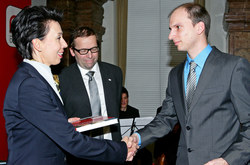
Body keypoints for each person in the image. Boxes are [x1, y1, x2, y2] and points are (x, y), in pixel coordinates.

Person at [3, 6, 137, 165]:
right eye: (58, 38)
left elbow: (37, 127)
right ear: (38, 44)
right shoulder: (30, 84)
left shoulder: (35, 78)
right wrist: (121, 150)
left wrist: (64, 124)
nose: (65, 44)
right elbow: (72, 142)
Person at [130, 3, 250, 165]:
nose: (171, 36)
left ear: (199, 27)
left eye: (177, 27)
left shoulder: (233, 67)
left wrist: (228, 160)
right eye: (170, 29)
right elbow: (166, 119)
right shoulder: (175, 74)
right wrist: (136, 138)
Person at [59, 27, 123, 164]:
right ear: (72, 51)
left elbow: (115, 109)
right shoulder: (62, 79)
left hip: (112, 150)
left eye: (94, 49)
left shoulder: (114, 73)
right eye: (83, 51)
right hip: (80, 154)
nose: (90, 55)